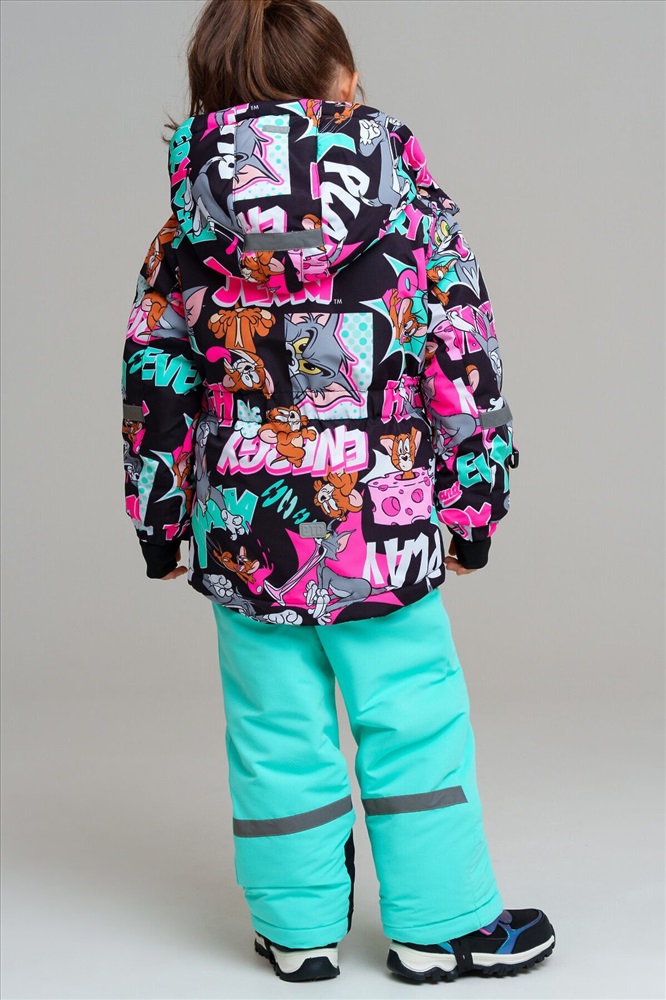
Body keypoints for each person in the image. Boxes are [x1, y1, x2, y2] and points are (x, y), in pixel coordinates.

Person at [121, 0, 555, 984]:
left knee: (274, 728)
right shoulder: (413, 215)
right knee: (411, 716)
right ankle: (441, 928)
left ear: (210, 104)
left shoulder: (185, 232)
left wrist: (160, 520)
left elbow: (155, 385)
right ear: (346, 88)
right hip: (384, 528)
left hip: (247, 532)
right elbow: (464, 361)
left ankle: (297, 930)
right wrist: (474, 505)